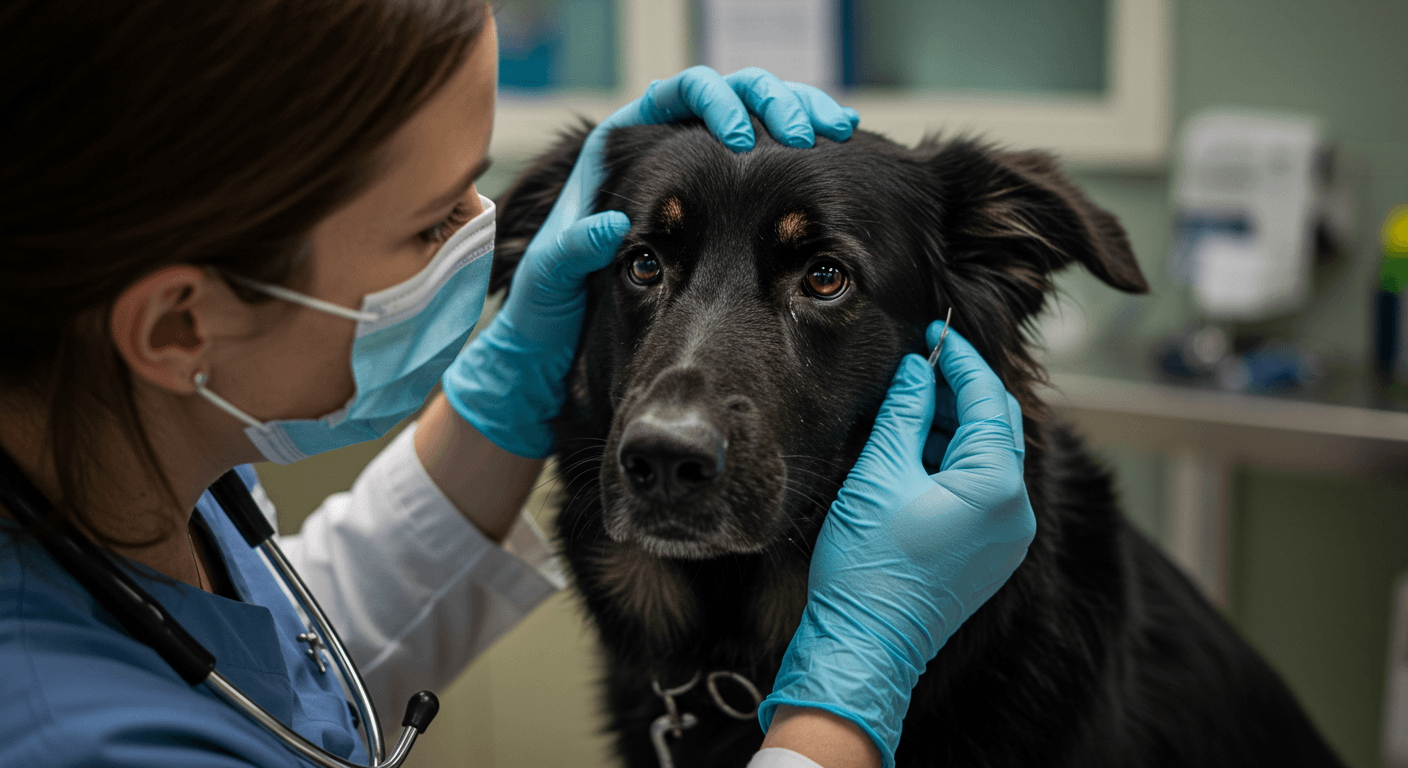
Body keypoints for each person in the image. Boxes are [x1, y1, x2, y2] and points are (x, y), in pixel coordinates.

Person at [0, 3, 1035, 768]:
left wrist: (503, 402)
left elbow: (297, 658)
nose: (491, 249)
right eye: (432, 220)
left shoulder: (139, 488)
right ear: (182, 324)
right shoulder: (72, 736)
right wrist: (844, 703)